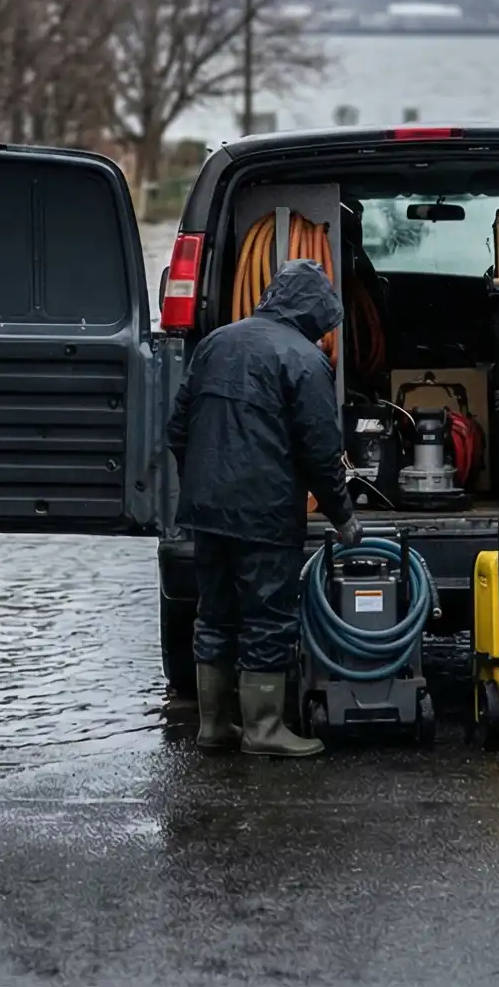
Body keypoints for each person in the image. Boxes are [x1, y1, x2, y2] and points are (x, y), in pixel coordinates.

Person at [167, 258, 361, 758]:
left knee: (214, 614)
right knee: (268, 616)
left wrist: (201, 483)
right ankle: (265, 728)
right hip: (265, 512)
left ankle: (216, 727)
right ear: (316, 312)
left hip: (206, 510)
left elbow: (177, 428)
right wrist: (343, 517)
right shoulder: (304, 359)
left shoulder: (216, 342)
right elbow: (321, 451)